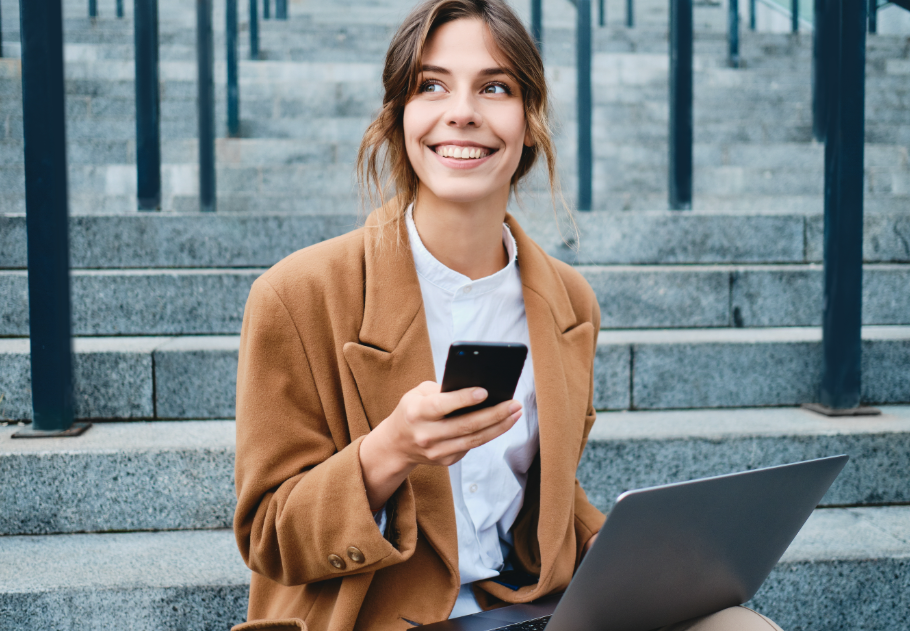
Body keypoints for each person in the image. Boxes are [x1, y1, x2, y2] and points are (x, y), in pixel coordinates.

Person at [232, 2, 784, 630]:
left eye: (494, 87)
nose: (462, 111)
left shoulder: (570, 302)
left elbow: (543, 488)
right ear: (398, 117)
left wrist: (621, 549)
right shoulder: (297, 295)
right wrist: (388, 451)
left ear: (529, 120)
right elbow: (268, 537)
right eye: (431, 85)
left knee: (743, 627)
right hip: (377, 616)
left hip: (520, 609)